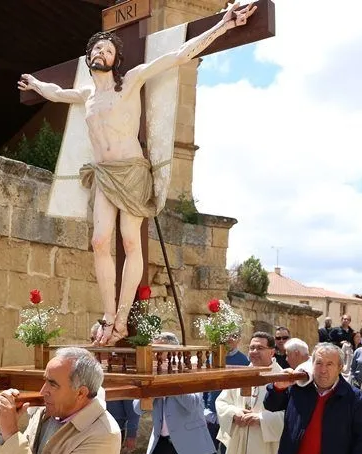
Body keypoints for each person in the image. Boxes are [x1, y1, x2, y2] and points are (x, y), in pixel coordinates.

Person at [18, 2, 257, 345]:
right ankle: (108, 315)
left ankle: (121, 318)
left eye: (108, 50)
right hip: (104, 173)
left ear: (116, 60)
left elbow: (178, 54)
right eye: (97, 48)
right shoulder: (86, 94)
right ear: (90, 56)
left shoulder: (129, 81)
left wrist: (224, 24)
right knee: (99, 241)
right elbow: (56, 93)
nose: (101, 52)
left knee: (131, 242)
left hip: (131, 171)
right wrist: (36, 83)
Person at [202, 331, 250, 454]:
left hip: (230, 416)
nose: (229, 340)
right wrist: (205, 408)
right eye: (226, 336)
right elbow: (204, 384)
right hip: (211, 416)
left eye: (232, 336)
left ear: (239, 339)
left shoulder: (244, 361)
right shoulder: (212, 358)